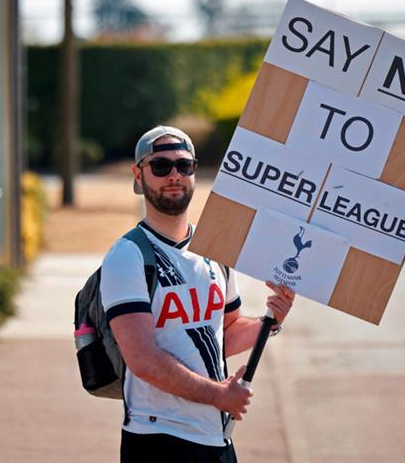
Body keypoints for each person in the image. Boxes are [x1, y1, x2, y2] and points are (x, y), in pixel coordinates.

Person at [100, 125, 296, 463]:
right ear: (138, 175)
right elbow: (143, 360)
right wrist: (220, 395)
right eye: (160, 166)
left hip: (215, 435)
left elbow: (225, 333)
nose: (173, 175)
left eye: (184, 165)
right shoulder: (127, 255)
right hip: (157, 438)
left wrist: (271, 320)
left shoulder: (214, 249)